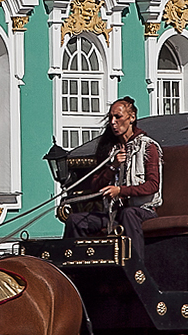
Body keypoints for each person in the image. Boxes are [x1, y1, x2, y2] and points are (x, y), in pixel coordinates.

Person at [64, 97, 162, 259]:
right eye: (110, 118)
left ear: (132, 117)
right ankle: (72, 268)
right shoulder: (110, 150)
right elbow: (95, 185)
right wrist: (113, 166)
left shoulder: (148, 147)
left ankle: (136, 269)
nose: (113, 122)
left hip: (143, 211)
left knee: (129, 214)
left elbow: (153, 185)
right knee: (75, 220)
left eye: (118, 117)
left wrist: (120, 190)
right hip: (113, 213)